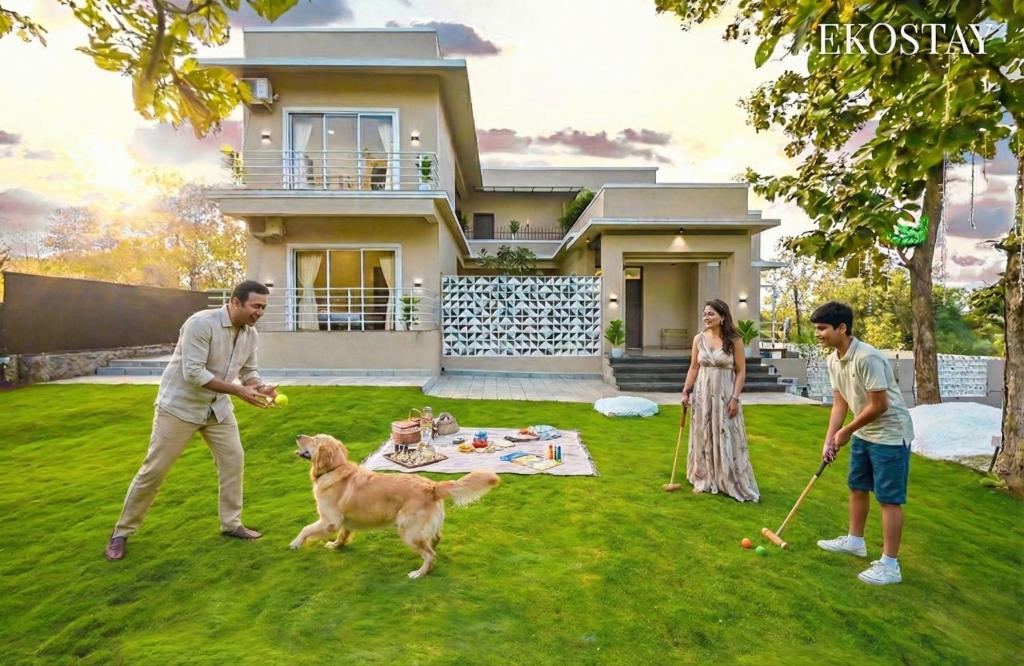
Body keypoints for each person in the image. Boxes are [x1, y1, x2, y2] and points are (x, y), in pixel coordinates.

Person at [104, 280, 277, 561]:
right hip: (179, 408)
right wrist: (239, 391)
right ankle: (121, 532)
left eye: (263, 307)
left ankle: (231, 524)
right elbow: (193, 373)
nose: (260, 312)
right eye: (255, 306)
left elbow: (250, 371)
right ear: (235, 302)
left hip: (216, 409)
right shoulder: (200, 324)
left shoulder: (250, 335)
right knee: (154, 470)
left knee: (234, 460)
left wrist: (259, 386)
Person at [811, 301, 915, 586]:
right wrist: (830, 438)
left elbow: (879, 405)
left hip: (890, 435)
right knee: (857, 486)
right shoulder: (833, 358)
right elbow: (840, 401)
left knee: (888, 498)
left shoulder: (867, 357)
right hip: (864, 433)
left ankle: (890, 565)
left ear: (841, 328)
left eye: (822, 328)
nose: (818, 334)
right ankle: (855, 541)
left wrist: (846, 431)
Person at [680, 299, 759, 502]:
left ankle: (727, 478)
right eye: (705, 314)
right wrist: (686, 391)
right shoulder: (699, 339)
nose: (706, 317)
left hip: (725, 394)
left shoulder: (734, 340)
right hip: (702, 395)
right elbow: (694, 368)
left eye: (711, 314)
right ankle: (704, 477)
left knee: (726, 433)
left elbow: (740, 372)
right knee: (703, 434)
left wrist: (735, 398)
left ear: (723, 317)